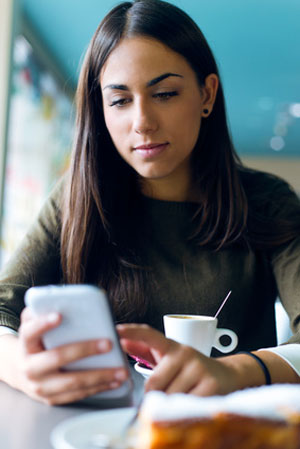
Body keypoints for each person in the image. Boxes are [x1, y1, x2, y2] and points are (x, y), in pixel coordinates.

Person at [0, 0, 300, 405]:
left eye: (164, 93)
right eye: (120, 100)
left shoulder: (267, 202)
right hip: (98, 431)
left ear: (207, 93)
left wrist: (235, 371)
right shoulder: (75, 200)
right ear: (100, 110)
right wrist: (21, 367)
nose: (142, 121)